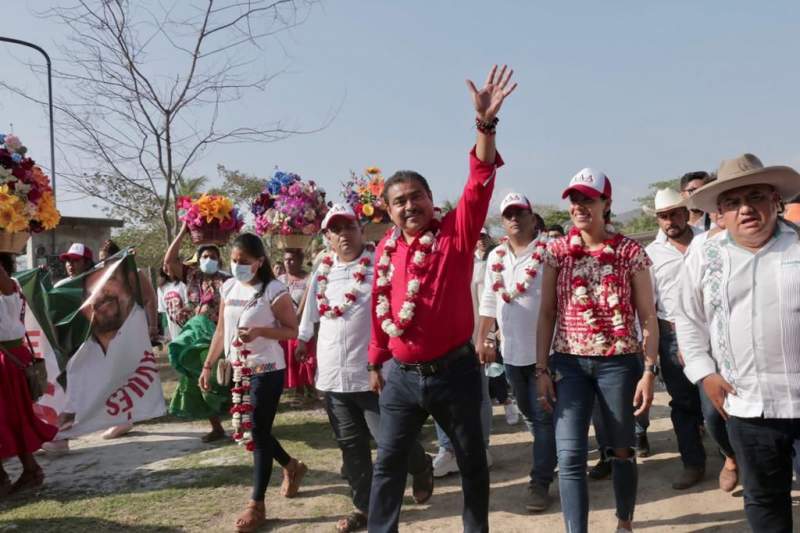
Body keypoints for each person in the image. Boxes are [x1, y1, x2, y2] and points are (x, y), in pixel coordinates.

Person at [367, 64, 516, 533]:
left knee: (473, 462)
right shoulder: (385, 252)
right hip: (401, 379)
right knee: (389, 464)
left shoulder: (454, 235)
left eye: (416, 197)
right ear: (388, 211)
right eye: (399, 201)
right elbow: (380, 307)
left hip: (455, 373)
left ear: (432, 199)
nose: (409, 206)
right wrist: (376, 361)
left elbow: (479, 183)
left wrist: (485, 126)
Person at [676, 153, 800, 533]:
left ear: (775, 201)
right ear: (720, 214)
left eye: (756, 197)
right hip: (747, 408)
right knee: (764, 498)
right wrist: (704, 373)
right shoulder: (705, 256)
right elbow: (688, 318)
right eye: (732, 202)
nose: (746, 209)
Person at [296, 204, 433, 532]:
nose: (343, 234)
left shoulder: (380, 265)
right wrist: (302, 339)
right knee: (351, 447)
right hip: (332, 373)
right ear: (328, 236)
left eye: (349, 227)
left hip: (374, 373)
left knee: (390, 438)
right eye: (336, 229)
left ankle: (421, 464)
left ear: (361, 230)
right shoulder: (322, 270)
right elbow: (310, 315)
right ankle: (365, 506)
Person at [536, 168, 658, 533]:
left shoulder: (629, 252)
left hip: (618, 364)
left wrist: (649, 371)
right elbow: (545, 313)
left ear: (606, 203)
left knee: (621, 449)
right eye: (574, 199)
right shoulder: (557, 252)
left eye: (588, 199)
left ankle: (624, 521)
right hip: (569, 364)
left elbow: (648, 316)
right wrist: (541, 370)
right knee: (570, 455)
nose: (579, 206)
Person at [199, 233, 307, 533]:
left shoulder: (273, 289)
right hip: (239, 368)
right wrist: (208, 364)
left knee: (258, 431)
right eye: (233, 261)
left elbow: (291, 331)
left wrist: (260, 332)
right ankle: (291, 466)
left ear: (259, 262)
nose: (237, 266)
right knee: (253, 430)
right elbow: (222, 329)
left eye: (244, 262)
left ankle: (256, 504)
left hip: (267, 370)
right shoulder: (229, 286)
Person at [477, 192, 557, 512]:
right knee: (531, 416)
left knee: (543, 420)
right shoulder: (495, 256)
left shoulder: (550, 251)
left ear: (532, 216)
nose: (514, 219)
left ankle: (540, 482)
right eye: (508, 214)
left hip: (546, 354)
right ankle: (553, 459)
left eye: (519, 212)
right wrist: (484, 338)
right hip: (512, 353)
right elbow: (488, 302)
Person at [642, 188, 707, 489]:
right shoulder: (651, 256)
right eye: (663, 217)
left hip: (711, 333)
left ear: (686, 213)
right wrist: (650, 357)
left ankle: (732, 456)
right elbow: (649, 307)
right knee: (682, 404)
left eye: (674, 214)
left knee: (718, 402)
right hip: (673, 337)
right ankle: (693, 464)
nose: (669, 221)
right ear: (657, 220)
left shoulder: (708, 243)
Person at [433, 227, 500, 478]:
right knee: (440, 397)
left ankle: (481, 448)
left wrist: (488, 338)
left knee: (479, 395)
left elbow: (489, 304)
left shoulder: (481, 266)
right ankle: (447, 451)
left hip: (473, 341)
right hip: (440, 343)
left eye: (482, 236)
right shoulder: (435, 262)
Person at [164, 223, 231, 442]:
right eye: (204, 256)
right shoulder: (192, 277)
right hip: (195, 336)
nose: (208, 260)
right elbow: (169, 261)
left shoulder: (228, 281)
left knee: (222, 379)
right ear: (198, 259)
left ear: (219, 260)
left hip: (218, 336)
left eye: (212, 256)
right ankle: (217, 427)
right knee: (194, 378)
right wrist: (183, 231)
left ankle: (245, 424)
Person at [0, 252, 57, 496]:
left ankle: (11, 476)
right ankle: (27, 471)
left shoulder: (8, 287)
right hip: (10, 359)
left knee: (11, 418)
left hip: (8, 360)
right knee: (10, 418)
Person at [278, 248, 317, 400]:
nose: (288, 262)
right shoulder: (279, 279)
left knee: (304, 356)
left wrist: (299, 314)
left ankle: (310, 387)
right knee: (290, 358)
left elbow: (307, 302)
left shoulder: (309, 278)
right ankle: (299, 390)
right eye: (286, 259)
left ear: (300, 261)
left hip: (303, 324)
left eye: (292, 259)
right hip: (284, 325)